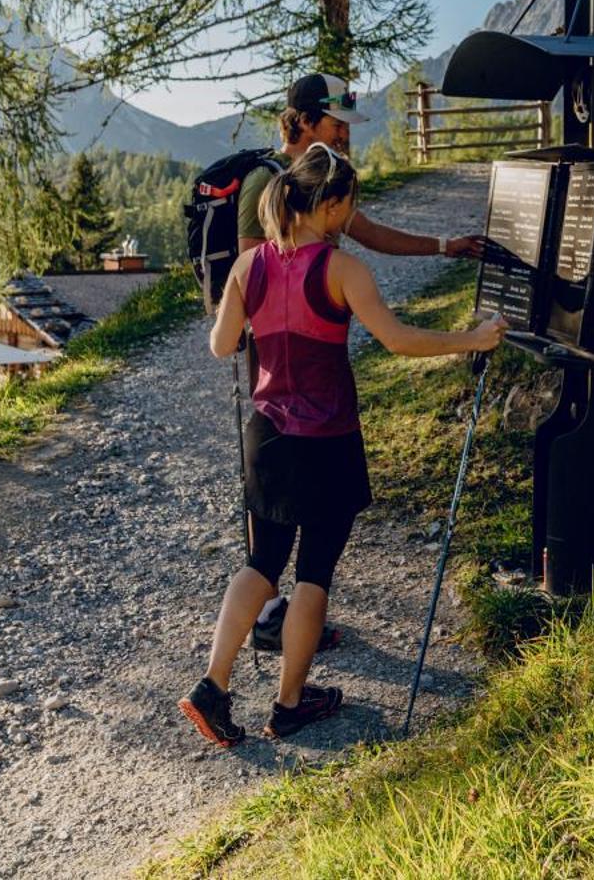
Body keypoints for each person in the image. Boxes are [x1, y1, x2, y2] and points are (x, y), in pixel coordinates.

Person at [180, 143, 507, 746]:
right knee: (314, 573)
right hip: (325, 439)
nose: (349, 218)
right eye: (349, 206)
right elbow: (399, 340)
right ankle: (289, 703)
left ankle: (213, 686)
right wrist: (474, 339)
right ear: (329, 206)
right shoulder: (340, 270)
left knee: (261, 563)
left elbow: (222, 347)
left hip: (266, 435)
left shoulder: (248, 267)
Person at [235, 73, 485, 260]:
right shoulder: (264, 179)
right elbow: (248, 269)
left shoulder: (325, 177)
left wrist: (446, 246)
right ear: (305, 122)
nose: (344, 135)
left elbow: (372, 234)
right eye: (337, 125)